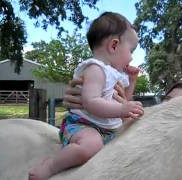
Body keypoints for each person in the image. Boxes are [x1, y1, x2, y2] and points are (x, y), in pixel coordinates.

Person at [29, 12, 144, 180]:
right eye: (131, 50)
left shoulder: (115, 73)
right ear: (114, 46)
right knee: (91, 146)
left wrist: (132, 82)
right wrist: (122, 109)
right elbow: (91, 102)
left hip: (105, 128)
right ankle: (50, 165)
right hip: (82, 125)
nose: (132, 57)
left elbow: (124, 99)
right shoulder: (95, 69)